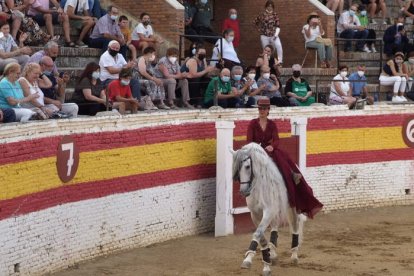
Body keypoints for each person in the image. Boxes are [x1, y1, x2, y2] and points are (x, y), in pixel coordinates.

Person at [246, 98, 323, 218]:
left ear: (268, 110)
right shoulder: (252, 123)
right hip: (256, 152)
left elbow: (277, 139)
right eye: (260, 108)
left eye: (264, 109)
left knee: (282, 161)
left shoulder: (271, 124)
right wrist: (256, 150)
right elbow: (249, 141)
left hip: (268, 151)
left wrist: (272, 146)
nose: (262, 111)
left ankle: (292, 175)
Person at [254, 0, 283, 64]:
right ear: (266, 7)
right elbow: (255, 22)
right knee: (266, 49)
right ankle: (266, 62)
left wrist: (276, 35)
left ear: (273, 7)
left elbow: (278, 26)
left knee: (278, 45)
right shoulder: (262, 14)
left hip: (273, 35)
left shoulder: (275, 14)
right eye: (268, 6)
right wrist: (259, 29)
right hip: (264, 35)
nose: (270, 7)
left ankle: (280, 61)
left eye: (271, 6)